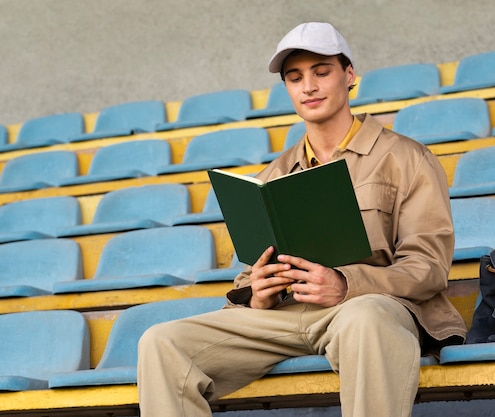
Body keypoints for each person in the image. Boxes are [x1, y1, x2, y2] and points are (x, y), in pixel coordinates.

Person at [138, 21, 466, 417]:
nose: (308, 86)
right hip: (285, 317)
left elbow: (428, 266)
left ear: (348, 75)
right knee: (161, 341)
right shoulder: (272, 176)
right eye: (295, 78)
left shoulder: (406, 158)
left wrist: (345, 285)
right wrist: (257, 293)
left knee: (366, 320)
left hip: (367, 308)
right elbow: (253, 273)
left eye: (321, 72)